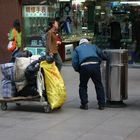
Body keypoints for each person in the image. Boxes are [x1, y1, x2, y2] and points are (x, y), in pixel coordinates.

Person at [72, 38, 108, 110]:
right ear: (87, 42)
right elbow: (101, 54)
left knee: (83, 85)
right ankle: (102, 104)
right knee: (98, 84)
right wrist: (106, 58)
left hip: (84, 66)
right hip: (95, 65)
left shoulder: (77, 49)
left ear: (80, 44)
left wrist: (78, 70)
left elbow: (74, 62)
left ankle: (84, 104)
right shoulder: (93, 46)